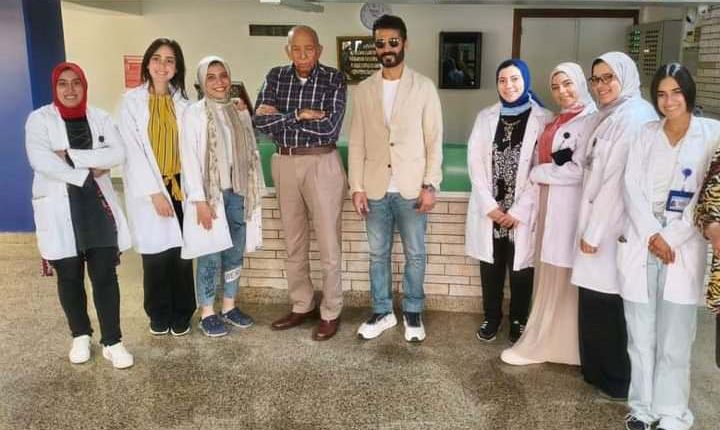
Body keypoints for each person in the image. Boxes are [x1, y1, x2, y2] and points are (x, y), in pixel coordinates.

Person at [620, 63, 720, 430]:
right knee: (640, 335)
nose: (669, 101)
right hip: (643, 239)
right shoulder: (645, 133)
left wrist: (671, 236)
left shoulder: (712, 134)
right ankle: (642, 408)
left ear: (688, 93)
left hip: (683, 243)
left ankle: (672, 411)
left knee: (675, 338)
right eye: (661, 94)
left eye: (676, 92)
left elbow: (708, 193)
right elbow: (630, 186)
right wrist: (652, 233)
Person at [25, 62, 134, 369]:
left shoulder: (100, 117)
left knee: (105, 277)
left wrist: (71, 157)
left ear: (84, 86)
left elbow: (118, 153)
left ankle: (112, 341)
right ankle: (80, 335)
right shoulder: (39, 119)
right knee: (70, 277)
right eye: (63, 83)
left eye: (76, 83)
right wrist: (88, 169)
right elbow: (40, 160)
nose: (70, 89)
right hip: (60, 209)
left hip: (97, 208)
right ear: (55, 87)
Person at [348, 14, 443, 342]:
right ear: (374, 47)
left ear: (404, 43)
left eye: (393, 42)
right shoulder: (364, 89)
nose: (386, 49)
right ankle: (383, 311)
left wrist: (431, 184)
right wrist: (356, 187)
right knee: (378, 254)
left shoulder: (424, 86)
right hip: (375, 188)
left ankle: (413, 311)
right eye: (380, 44)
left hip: (412, 188)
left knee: (416, 253)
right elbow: (357, 141)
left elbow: (434, 139)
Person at [571, 51, 657, 401]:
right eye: (596, 79)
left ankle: (617, 379)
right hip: (596, 224)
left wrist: (593, 233)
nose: (601, 85)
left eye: (609, 77)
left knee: (610, 306)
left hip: (613, 229)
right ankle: (595, 371)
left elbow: (616, 184)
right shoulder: (608, 115)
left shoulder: (635, 117)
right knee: (594, 301)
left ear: (626, 77)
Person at [500, 62, 596, 366]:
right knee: (549, 272)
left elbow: (580, 170)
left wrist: (539, 172)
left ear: (581, 83)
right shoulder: (559, 119)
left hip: (567, 208)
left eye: (568, 84)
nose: (562, 91)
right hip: (549, 205)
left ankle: (559, 345)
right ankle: (544, 337)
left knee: (563, 275)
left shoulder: (590, 121)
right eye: (555, 86)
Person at [255, 25, 347, 341]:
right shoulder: (276, 76)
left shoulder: (334, 78)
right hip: (284, 162)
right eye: (297, 49)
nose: (303, 54)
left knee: (328, 243)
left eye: (309, 49)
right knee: (293, 241)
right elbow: (260, 122)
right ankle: (302, 304)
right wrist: (300, 114)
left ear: (319, 50)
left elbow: (330, 129)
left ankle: (331, 310)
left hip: (322, 162)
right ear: (288, 50)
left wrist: (281, 117)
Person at [465, 58, 551, 343]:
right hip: (492, 208)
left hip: (522, 210)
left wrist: (519, 210)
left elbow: (542, 169)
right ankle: (491, 317)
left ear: (525, 80)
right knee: (491, 266)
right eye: (502, 80)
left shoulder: (544, 119)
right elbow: (475, 164)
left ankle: (518, 319)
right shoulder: (485, 117)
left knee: (521, 268)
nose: (508, 85)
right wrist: (490, 206)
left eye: (515, 79)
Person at [180, 56, 263, 337]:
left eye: (223, 75)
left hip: (236, 193)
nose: (219, 82)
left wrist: (246, 117)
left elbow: (250, 150)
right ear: (201, 82)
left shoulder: (236, 111)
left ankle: (229, 306)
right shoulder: (194, 114)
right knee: (210, 255)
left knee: (234, 253)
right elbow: (189, 159)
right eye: (211, 77)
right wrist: (199, 201)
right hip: (210, 197)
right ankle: (207, 312)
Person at [118, 38, 196, 337]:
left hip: (180, 187)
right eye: (157, 59)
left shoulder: (185, 104)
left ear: (177, 68)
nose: (163, 65)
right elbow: (132, 150)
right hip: (150, 189)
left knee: (180, 254)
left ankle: (182, 312)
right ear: (147, 63)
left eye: (170, 60)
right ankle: (158, 312)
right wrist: (154, 193)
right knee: (155, 256)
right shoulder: (131, 102)